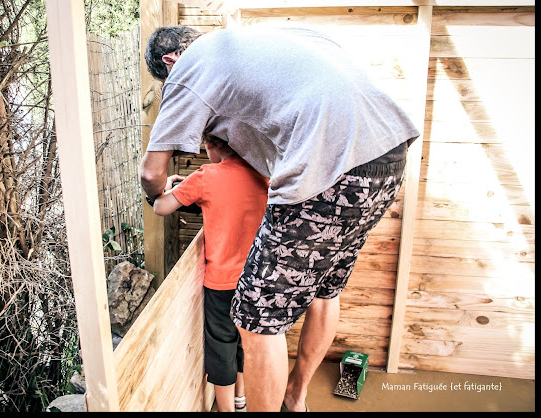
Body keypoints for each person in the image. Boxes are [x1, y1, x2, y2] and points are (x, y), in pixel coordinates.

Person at [140, 24, 420, 412]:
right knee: (325, 290)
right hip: (387, 160)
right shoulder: (262, 40)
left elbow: (151, 172)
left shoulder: (189, 67)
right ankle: (295, 397)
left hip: (327, 171)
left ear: (171, 61)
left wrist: (159, 193)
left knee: (255, 318)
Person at [150, 132, 269, 412]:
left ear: (213, 145)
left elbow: (161, 207)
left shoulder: (205, 176)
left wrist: (166, 186)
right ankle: (242, 399)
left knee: (221, 347)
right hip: (257, 280)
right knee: (245, 340)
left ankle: (227, 410)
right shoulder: (263, 175)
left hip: (222, 282)